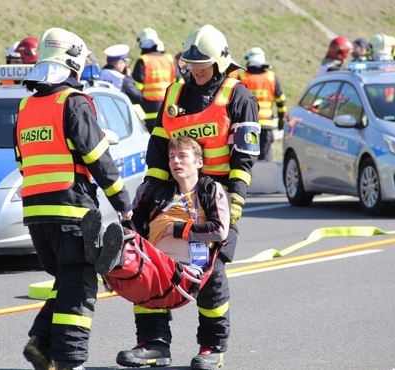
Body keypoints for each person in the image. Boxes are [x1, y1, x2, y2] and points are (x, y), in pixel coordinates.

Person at [117, 24, 260, 370]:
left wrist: (236, 198)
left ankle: (212, 348)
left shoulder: (238, 96)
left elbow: (244, 158)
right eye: (192, 64)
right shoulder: (174, 94)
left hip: (215, 195)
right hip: (170, 195)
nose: (196, 71)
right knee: (146, 268)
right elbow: (158, 151)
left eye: (204, 65)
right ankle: (153, 344)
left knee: (210, 276)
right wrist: (146, 199)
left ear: (221, 63)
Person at [14, 27, 132, 370]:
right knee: (80, 286)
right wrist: (123, 204)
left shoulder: (24, 106)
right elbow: (97, 157)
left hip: (36, 215)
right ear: (73, 64)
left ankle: (41, 343)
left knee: (65, 281)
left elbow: (23, 161)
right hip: (72, 210)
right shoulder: (74, 102)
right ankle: (70, 361)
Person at [81, 135, 230, 311]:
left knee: (135, 266)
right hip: (152, 261)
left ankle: (110, 264)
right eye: (172, 157)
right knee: (127, 241)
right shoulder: (157, 192)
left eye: (182, 156)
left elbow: (219, 230)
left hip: (184, 272)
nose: (176, 161)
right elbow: (133, 226)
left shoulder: (210, 190)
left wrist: (177, 229)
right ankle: (104, 258)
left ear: (198, 162)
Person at [238, 47, 287, 161]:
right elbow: (281, 102)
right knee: (265, 159)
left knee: (248, 157)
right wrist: (281, 121)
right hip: (266, 125)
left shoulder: (242, 77)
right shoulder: (271, 77)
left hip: (248, 124)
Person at [132, 27, 176, 132]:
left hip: (148, 115)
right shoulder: (169, 59)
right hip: (169, 112)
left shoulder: (143, 61)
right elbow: (179, 83)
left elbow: (135, 91)